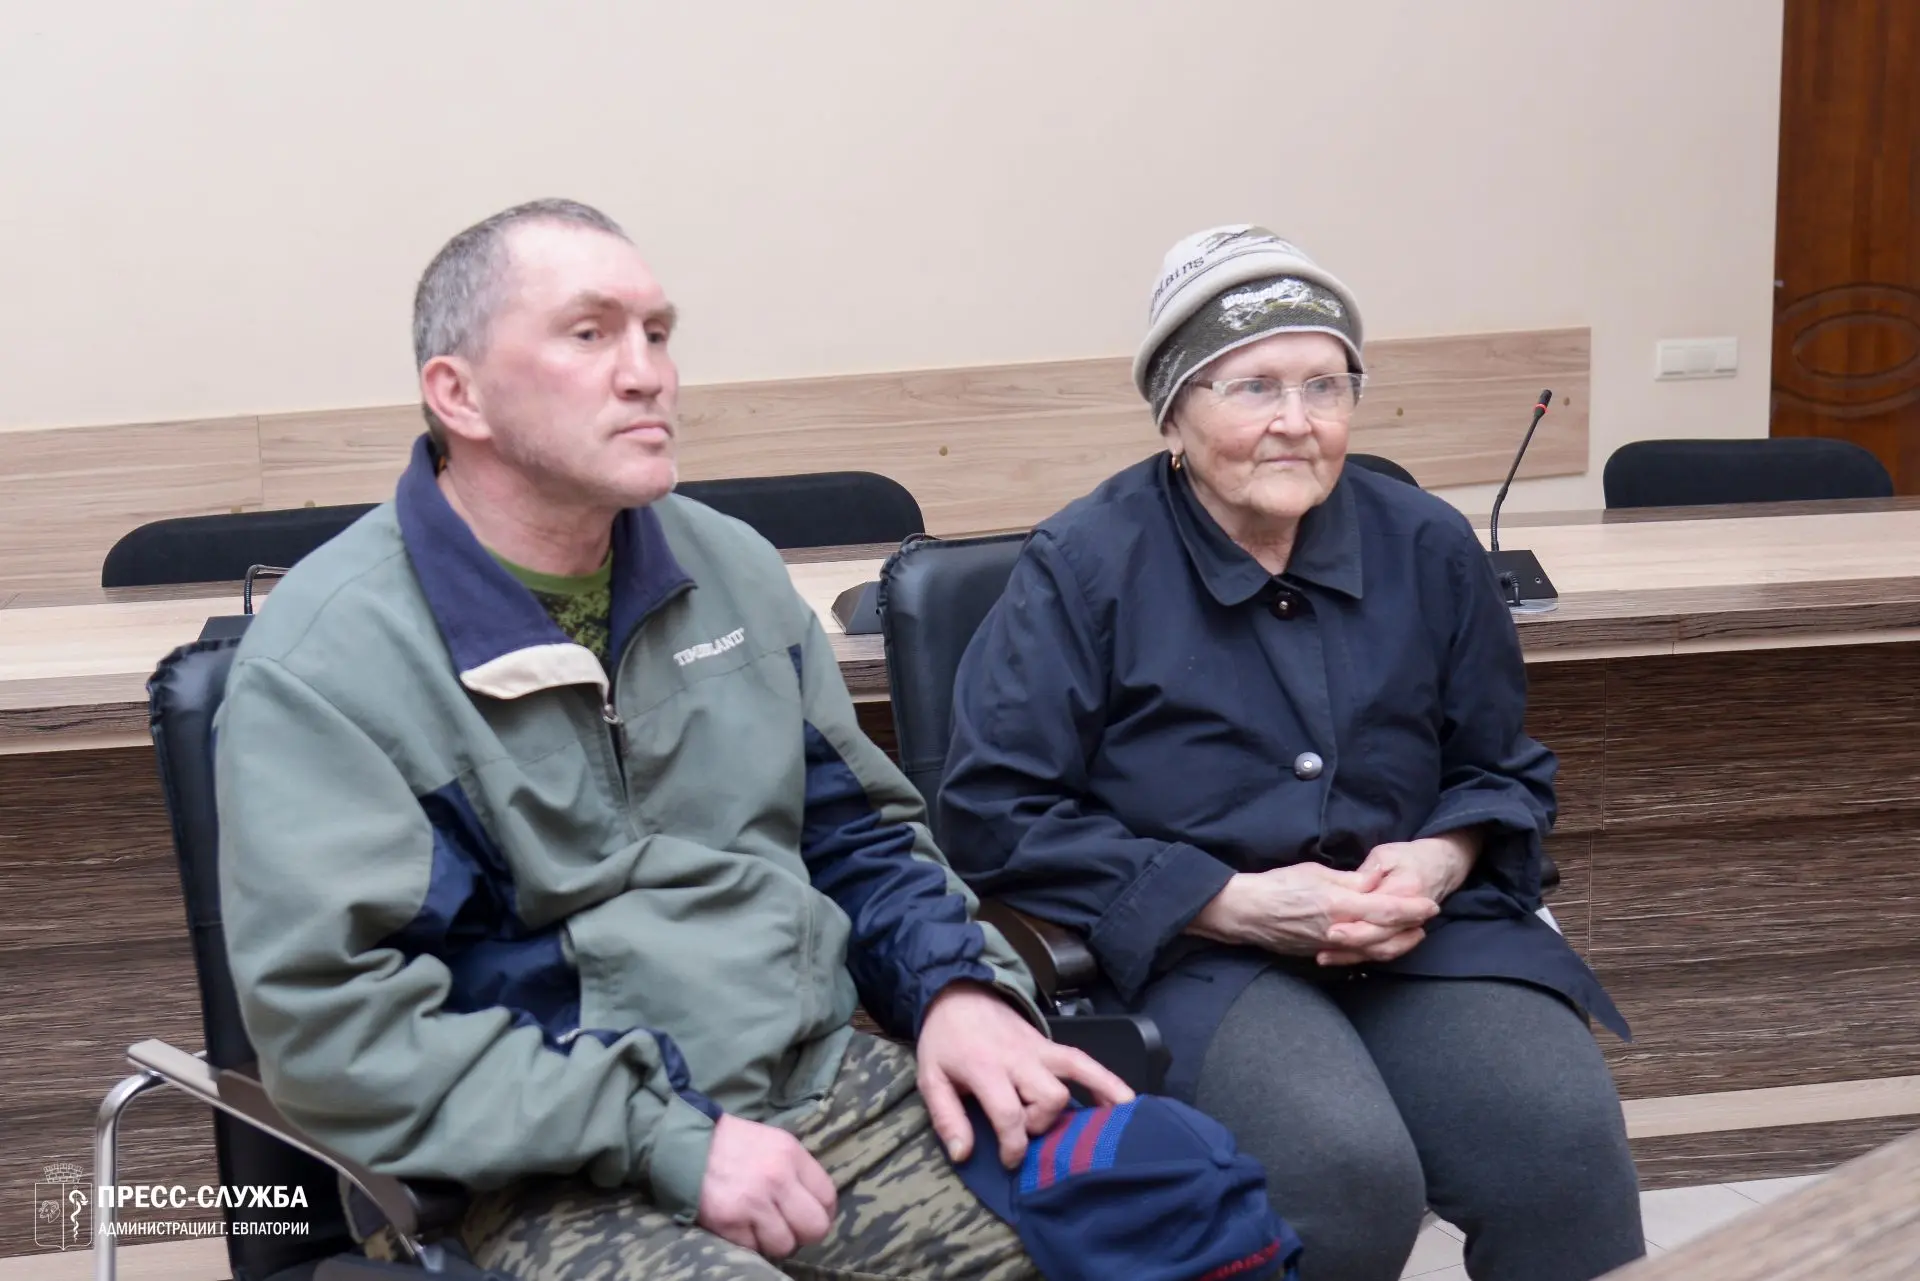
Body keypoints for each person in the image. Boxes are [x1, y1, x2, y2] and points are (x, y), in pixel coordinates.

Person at [213, 198, 1137, 1281]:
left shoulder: (729, 567)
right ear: (458, 394)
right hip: (522, 1157)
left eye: (658, 333)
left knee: (1164, 1211)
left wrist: (958, 988)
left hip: (806, 1085)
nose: (648, 372)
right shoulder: (328, 662)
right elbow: (338, 1030)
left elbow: (861, 838)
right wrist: (667, 1133)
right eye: (591, 333)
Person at [937, 226, 1645, 1281]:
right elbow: (995, 812)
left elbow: (1497, 768)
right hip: (1193, 949)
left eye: (1326, 385)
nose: (1296, 421)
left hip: (1412, 934)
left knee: (1560, 1142)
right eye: (1254, 387)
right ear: (1173, 414)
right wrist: (1228, 900)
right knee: (1343, 1172)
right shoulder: (1084, 565)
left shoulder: (1427, 544)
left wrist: (1440, 857)